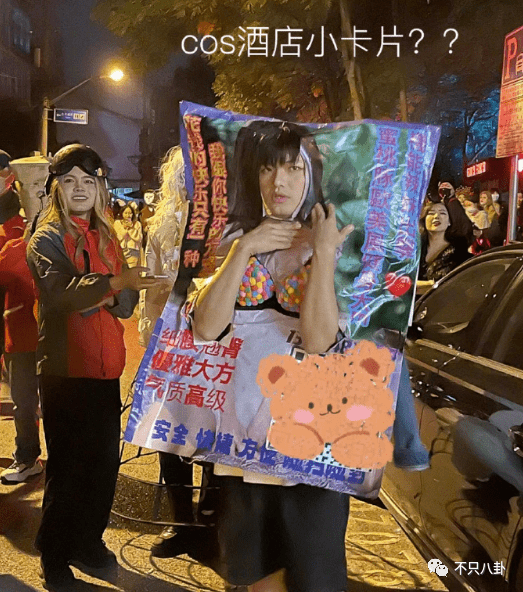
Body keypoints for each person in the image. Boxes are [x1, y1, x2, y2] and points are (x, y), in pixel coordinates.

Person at [27, 144, 158, 591]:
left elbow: (127, 305)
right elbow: (60, 295)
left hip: (105, 371)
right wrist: (115, 283)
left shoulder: (106, 235)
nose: (79, 189)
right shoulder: (45, 238)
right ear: (56, 189)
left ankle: (87, 541)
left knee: (102, 466)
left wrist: (116, 289)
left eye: (88, 181)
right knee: (68, 469)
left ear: (100, 188)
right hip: (65, 372)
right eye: (69, 181)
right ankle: (54, 554)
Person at [137, 147, 201, 557]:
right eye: (186, 175)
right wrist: (152, 337)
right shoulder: (161, 228)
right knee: (169, 434)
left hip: (219, 348)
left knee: (214, 438)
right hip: (172, 344)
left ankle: (213, 521)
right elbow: (150, 288)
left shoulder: (232, 225)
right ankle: (181, 521)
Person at [0, 156, 49, 483]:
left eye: (40, 188)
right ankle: (28, 456)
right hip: (18, 333)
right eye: (27, 187)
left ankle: (64, 463)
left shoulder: (64, 231)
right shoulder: (12, 231)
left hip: (57, 335)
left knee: (56, 403)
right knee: (24, 402)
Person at [417, 200, 470, 293]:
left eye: (442, 213)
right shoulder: (414, 250)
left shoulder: (459, 254)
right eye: (431, 213)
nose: (436, 216)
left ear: (449, 221)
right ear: (424, 220)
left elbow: (459, 286)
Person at [113, 203, 143, 267]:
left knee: (132, 270)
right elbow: (118, 238)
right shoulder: (117, 223)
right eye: (125, 213)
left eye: (130, 213)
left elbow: (138, 238)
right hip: (121, 251)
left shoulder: (137, 224)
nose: (128, 215)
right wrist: (125, 228)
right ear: (122, 213)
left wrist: (131, 228)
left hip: (133, 251)